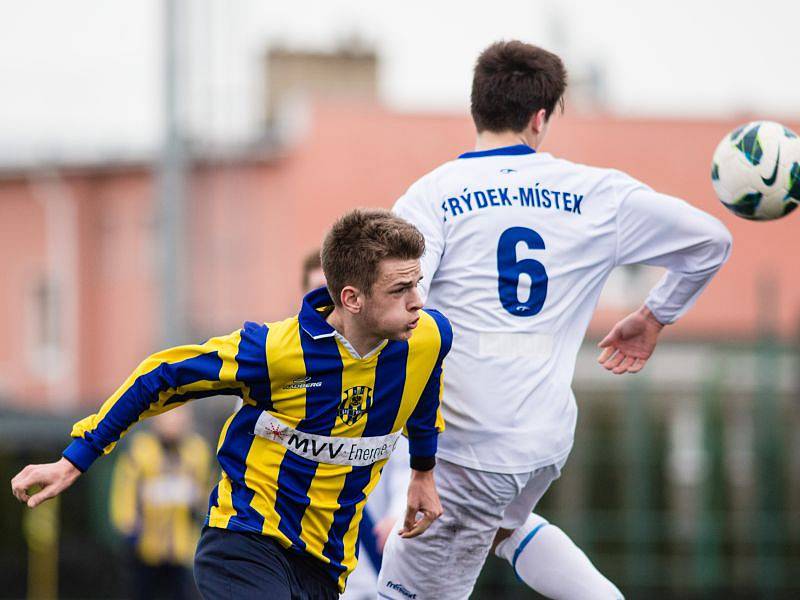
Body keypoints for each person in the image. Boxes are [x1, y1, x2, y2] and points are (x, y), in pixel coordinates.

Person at [378, 40, 732, 600]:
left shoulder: (432, 196)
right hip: (543, 439)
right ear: (540, 118)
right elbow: (712, 241)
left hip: (465, 443)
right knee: (508, 528)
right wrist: (654, 316)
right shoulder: (599, 194)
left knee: (398, 590)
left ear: (477, 107)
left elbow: (399, 304)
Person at [11, 208, 453, 599]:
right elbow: (161, 375)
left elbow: (426, 386)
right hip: (245, 543)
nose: (418, 301)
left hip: (326, 564)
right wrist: (75, 459)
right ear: (352, 298)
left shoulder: (428, 337)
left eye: (417, 283)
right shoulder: (274, 351)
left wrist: (423, 472)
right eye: (400, 290)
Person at [109, 409, 211, 600]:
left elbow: (205, 490)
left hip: (183, 546)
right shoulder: (141, 449)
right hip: (145, 545)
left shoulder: (197, 451)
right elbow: (125, 489)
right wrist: (128, 525)